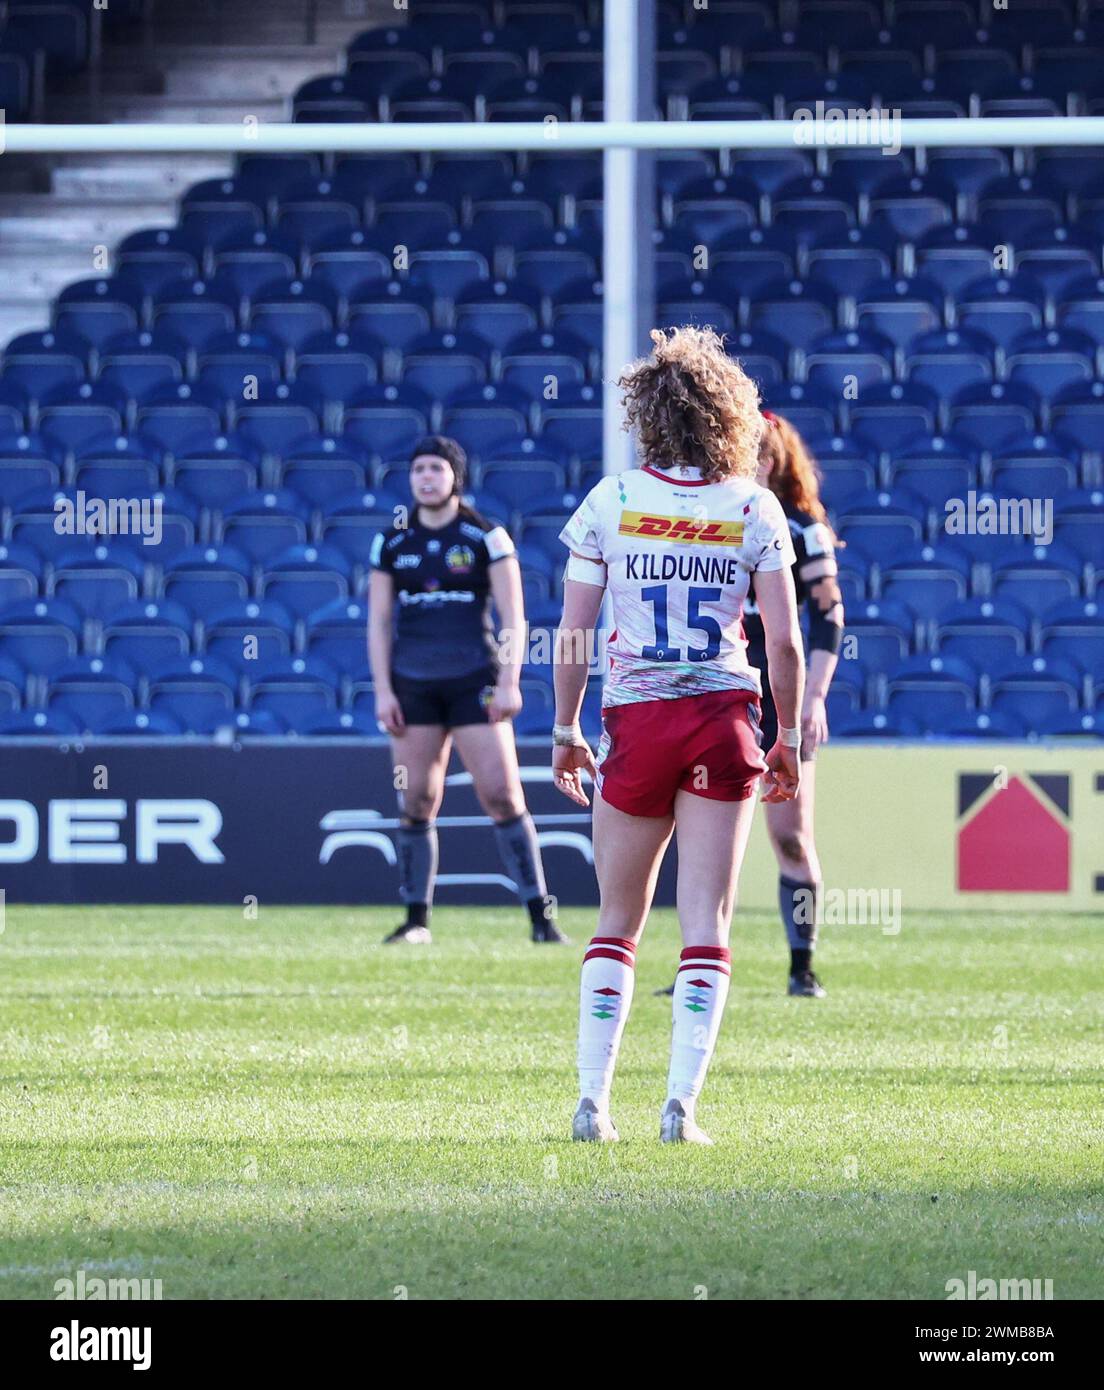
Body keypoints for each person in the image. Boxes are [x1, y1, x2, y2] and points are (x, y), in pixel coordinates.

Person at [551, 327, 805, 1145]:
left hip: (638, 721)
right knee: (708, 923)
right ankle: (680, 1108)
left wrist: (563, 729)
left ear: (646, 414)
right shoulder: (753, 506)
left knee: (616, 920)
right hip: (725, 720)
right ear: (730, 414)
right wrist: (790, 736)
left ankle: (594, 1102)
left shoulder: (613, 500)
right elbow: (785, 643)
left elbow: (573, 635)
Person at [656, 410, 845, 999]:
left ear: (775, 461)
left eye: (760, 454)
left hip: (779, 693)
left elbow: (829, 617)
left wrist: (813, 698)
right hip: (717, 691)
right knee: (699, 835)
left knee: (789, 835)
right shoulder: (705, 521)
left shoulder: (802, 530)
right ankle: (698, 962)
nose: (750, 462)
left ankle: (802, 966)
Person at [368, 434, 567, 945]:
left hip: (475, 684)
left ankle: (541, 921)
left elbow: (514, 616)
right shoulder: (391, 540)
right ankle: (416, 920)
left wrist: (509, 681)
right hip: (413, 686)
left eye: (436, 468)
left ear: (455, 476)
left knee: (501, 794)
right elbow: (378, 622)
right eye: (418, 470)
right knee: (416, 798)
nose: (426, 478)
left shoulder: (487, 537)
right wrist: (383, 691)